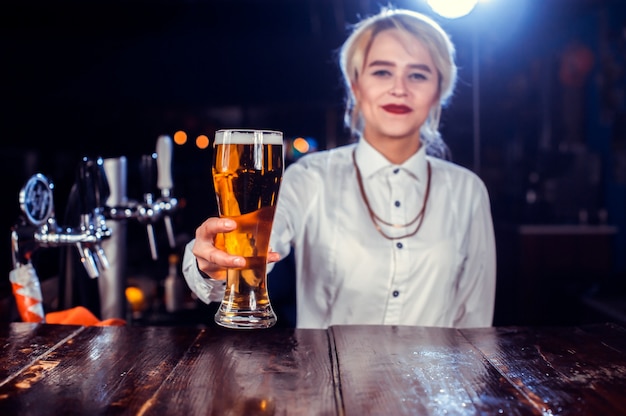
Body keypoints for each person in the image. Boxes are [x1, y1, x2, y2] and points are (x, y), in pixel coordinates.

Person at [182, 7, 497, 329]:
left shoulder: (467, 190)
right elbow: (259, 242)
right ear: (355, 85)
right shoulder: (310, 177)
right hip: (327, 377)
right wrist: (213, 263)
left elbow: (475, 321)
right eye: (382, 72)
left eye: (418, 74)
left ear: (439, 91)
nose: (399, 88)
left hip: (435, 380)